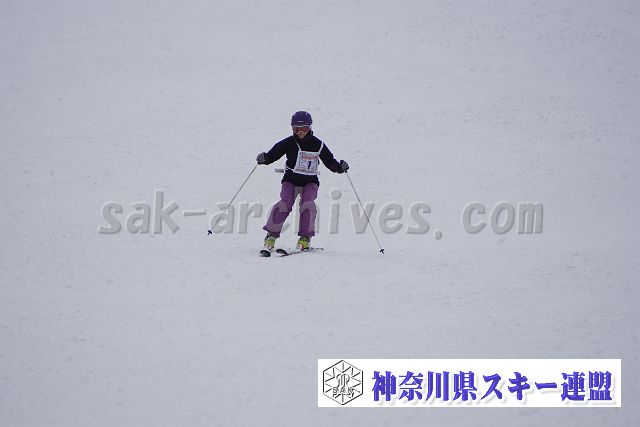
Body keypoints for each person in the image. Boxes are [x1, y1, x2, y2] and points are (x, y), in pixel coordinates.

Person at [256, 111, 349, 251]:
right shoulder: (288, 143)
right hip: (290, 180)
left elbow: (330, 161)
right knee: (285, 203)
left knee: (308, 204)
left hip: (310, 182)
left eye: (304, 128)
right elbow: (273, 154)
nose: (300, 132)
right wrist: (264, 158)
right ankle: (271, 235)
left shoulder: (318, 144)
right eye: (296, 129)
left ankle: (305, 238)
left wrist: (340, 167)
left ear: (310, 127)